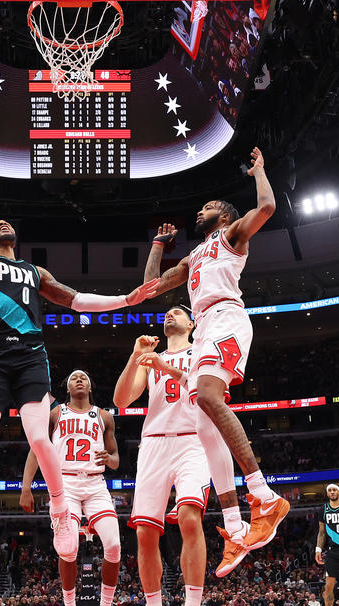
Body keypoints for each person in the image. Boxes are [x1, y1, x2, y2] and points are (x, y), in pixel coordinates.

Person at [0, 143, 157, 572]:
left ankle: (60, 512)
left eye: (6, 222)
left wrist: (125, 299)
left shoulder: (35, 273)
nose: (2, 222)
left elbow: (77, 300)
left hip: (31, 358)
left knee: (41, 438)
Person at [141, 147, 288, 576]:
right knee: (205, 424)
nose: (200, 210)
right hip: (204, 325)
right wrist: (157, 245)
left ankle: (262, 494)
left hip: (226, 316)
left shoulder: (230, 237)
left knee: (206, 395)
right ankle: (236, 527)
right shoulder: (192, 256)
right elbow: (151, 287)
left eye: (208, 207)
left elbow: (267, 206)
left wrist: (259, 170)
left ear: (224, 217)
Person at [113, 306, 210, 606]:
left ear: (191, 323)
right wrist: (137, 355)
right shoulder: (150, 357)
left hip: (193, 440)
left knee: (188, 516)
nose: (169, 316)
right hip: (153, 442)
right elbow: (121, 400)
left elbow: (205, 388)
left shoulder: (203, 349)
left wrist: (162, 366)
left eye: (177, 312)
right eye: (165, 313)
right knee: (144, 532)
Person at [20, 370, 122, 606]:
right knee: (69, 549)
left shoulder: (104, 416)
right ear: (66, 386)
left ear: (90, 385)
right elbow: (36, 449)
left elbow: (115, 460)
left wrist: (109, 458)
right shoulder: (55, 414)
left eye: (84, 377)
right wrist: (26, 486)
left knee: (113, 545)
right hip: (65, 482)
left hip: (96, 483)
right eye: (74, 377)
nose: (79, 379)